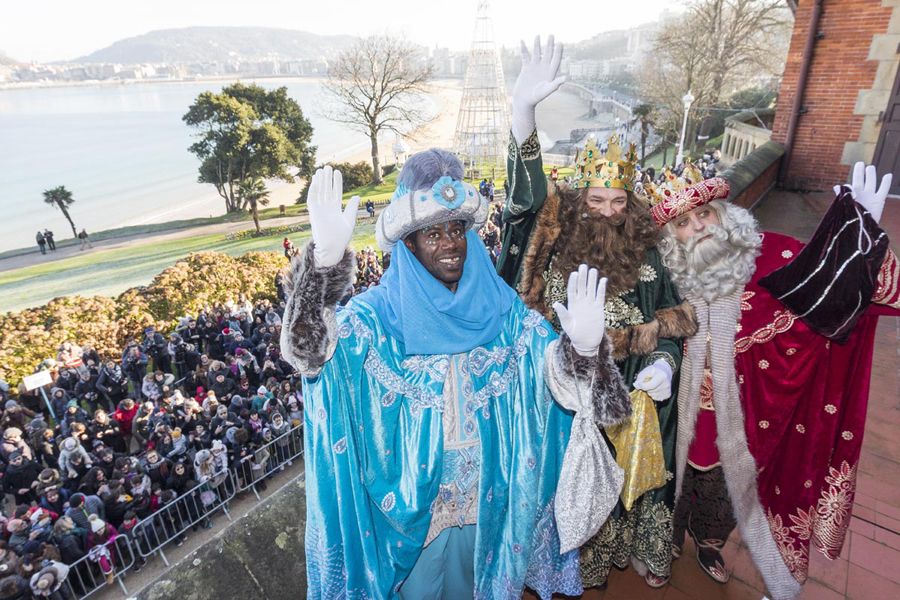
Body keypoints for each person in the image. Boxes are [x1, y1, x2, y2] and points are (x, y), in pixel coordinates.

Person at [282, 155, 634, 599]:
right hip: (409, 511)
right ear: (408, 244)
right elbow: (311, 356)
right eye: (433, 233)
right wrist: (320, 270)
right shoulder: (375, 316)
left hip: (485, 498)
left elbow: (551, 374)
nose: (450, 244)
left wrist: (583, 350)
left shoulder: (499, 306)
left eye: (457, 230)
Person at [497, 36, 697, 589]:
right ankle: (572, 559)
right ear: (581, 200)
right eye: (596, 201)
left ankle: (633, 548)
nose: (608, 213)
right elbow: (526, 199)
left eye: (618, 202)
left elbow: (674, 318)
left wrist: (664, 363)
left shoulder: (651, 250)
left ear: (630, 203)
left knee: (634, 479)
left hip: (634, 393)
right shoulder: (556, 241)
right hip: (566, 391)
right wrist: (523, 117)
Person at [650, 167, 899, 598]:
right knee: (669, 477)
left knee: (726, 488)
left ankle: (709, 544)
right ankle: (666, 539)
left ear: (723, 213)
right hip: (674, 409)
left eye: (704, 214)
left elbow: (842, 289)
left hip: (747, 414)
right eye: (683, 224)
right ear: (672, 238)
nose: (699, 228)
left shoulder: (776, 255)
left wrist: (863, 239)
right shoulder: (663, 278)